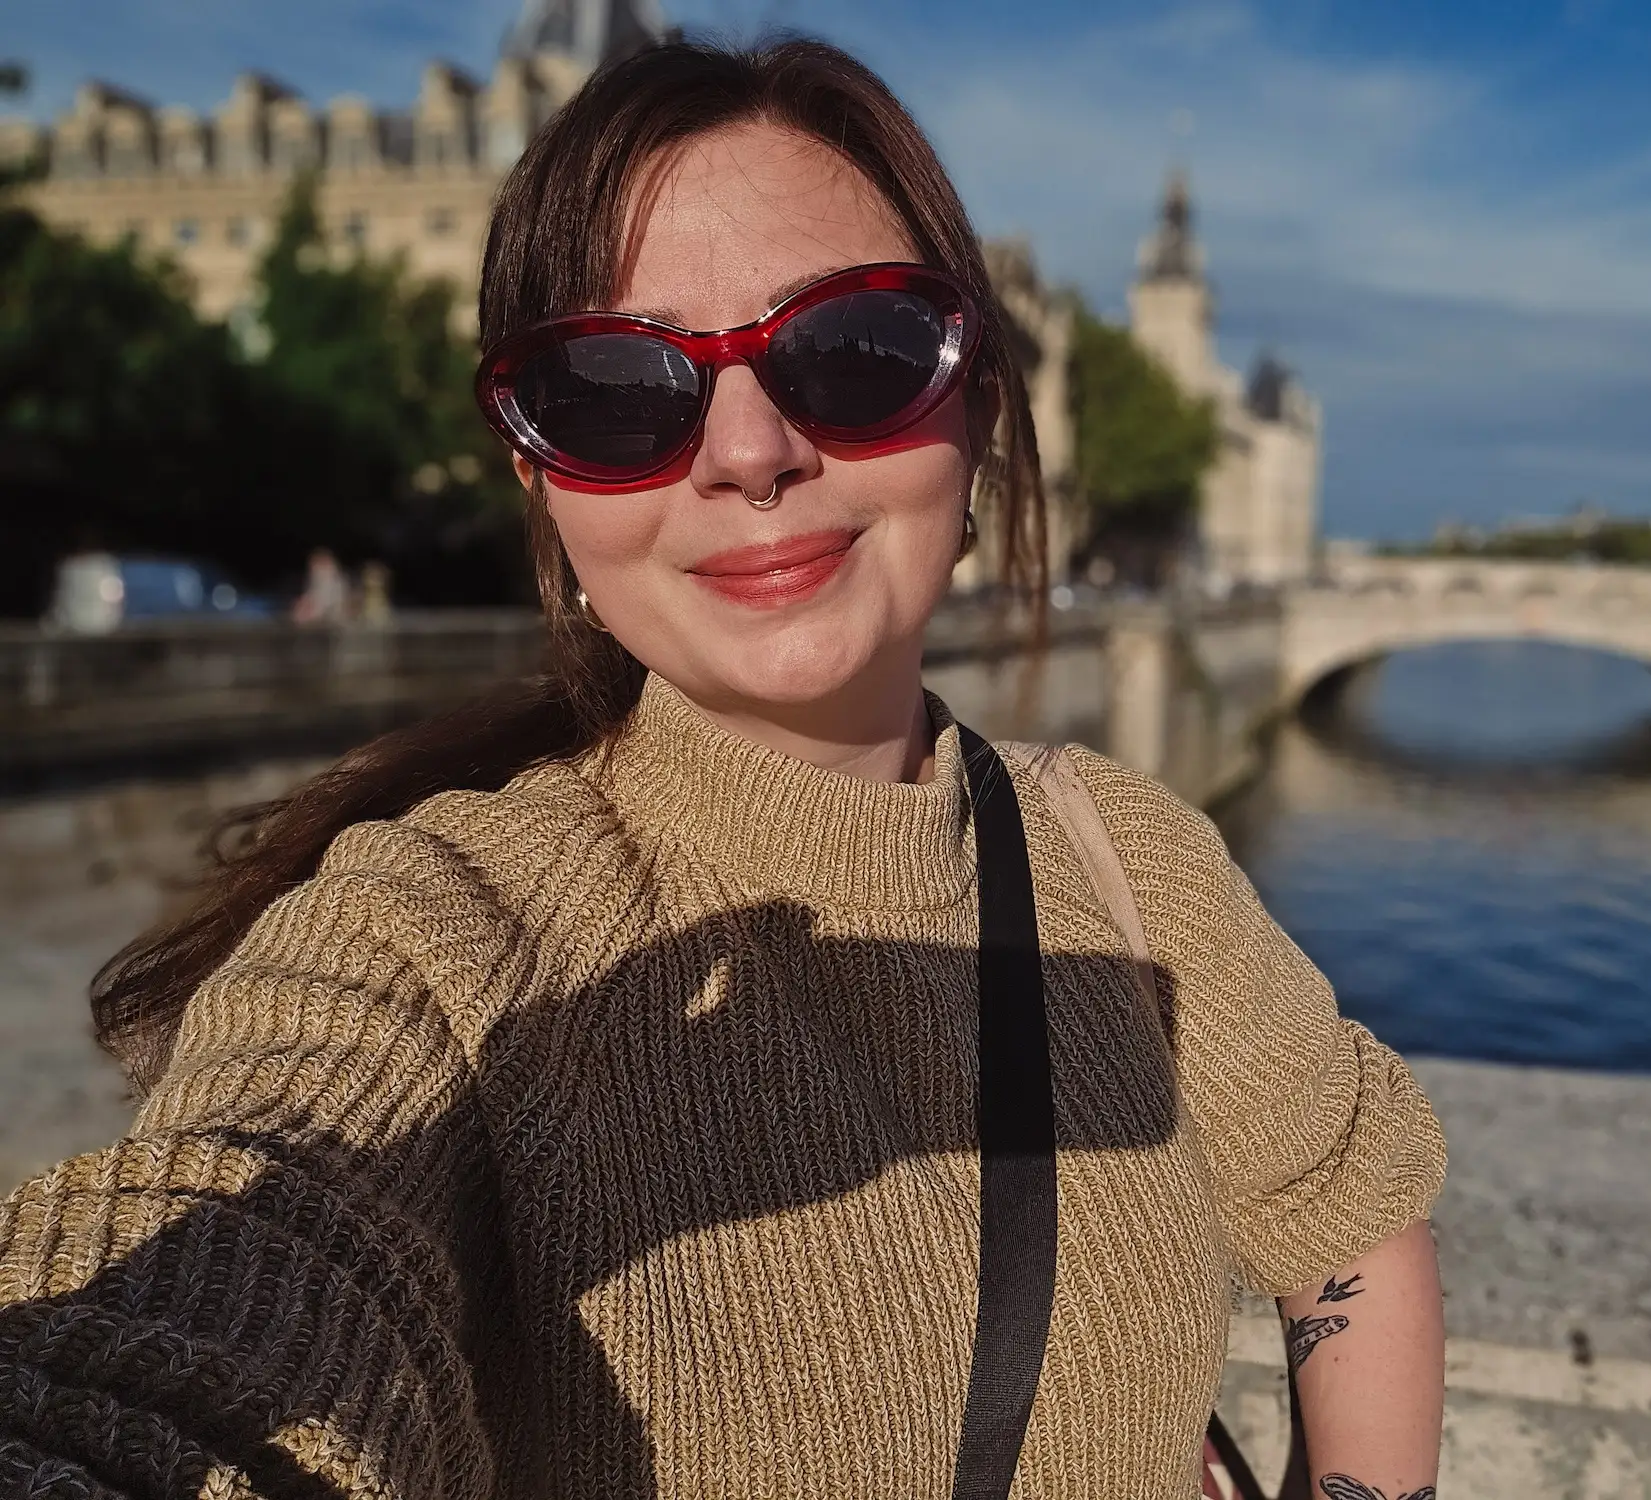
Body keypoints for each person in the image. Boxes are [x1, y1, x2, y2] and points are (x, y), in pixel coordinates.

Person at [0, 38, 1446, 1500]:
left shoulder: (1135, 859)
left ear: (979, 412)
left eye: (855, 354)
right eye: (615, 390)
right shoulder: (427, 933)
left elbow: (1351, 1211)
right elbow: (226, 1266)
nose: (746, 450)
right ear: (541, 480)